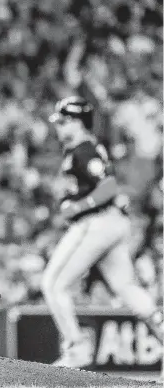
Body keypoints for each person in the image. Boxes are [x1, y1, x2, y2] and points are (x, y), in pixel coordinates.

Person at [41, 96, 163, 368]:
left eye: (62, 122)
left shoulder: (83, 149)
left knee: (53, 284)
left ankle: (76, 348)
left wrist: (78, 206)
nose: (59, 128)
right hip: (111, 224)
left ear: (75, 121)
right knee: (126, 287)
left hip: (96, 223)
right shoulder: (85, 148)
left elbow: (108, 187)